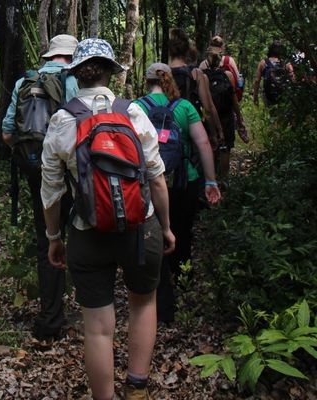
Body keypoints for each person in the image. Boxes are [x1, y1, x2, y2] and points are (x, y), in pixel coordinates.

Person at [41, 38, 175, 400]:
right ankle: (137, 387)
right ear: (111, 71)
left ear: (77, 75)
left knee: (98, 328)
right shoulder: (132, 112)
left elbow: (52, 192)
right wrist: (164, 226)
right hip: (139, 226)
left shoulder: (61, 119)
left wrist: (55, 236)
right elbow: (156, 177)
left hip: (87, 231)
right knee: (143, 302)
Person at [1, 34, 79, 340]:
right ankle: (89, 308)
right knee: (80, 235)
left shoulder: (25, 83)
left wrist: (34, 158)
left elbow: (8, 133)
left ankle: (49, 320)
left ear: (49, 57)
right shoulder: (72, 81)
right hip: (68, 171)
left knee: (48, 239)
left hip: (36, 171)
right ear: (71, 58)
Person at [136, 63, 222, 323]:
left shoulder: (136, 108)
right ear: (169, 80)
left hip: (150, 182)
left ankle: (159, 297)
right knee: (182, 231)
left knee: (155, 232)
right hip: (185, 181)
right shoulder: (184, 107)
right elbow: (203, 143)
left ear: (146, 80)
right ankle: (183, 282)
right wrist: (211, 181)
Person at [169, 28, 224, 149]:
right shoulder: (196, 73)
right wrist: (213, 134)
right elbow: (207, 107)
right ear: (186, 50)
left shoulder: (163, 73)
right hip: (191, 126)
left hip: (168, 125)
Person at [202, 49, 249, 178]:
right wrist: (239, 119)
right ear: (220, 62)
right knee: (225, 148)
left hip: (209, 117)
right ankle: (224, 180)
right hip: (226, 117)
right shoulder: (227, 75)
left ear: (207, 62)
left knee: (212, 146)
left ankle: (211, 178)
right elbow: (233, 98)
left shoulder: (202, 76)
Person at [199, 35, 244, 102]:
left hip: (210, 100)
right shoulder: (229, 60)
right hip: (227, 100)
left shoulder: (203, 64)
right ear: (222, 47)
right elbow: (238, 79)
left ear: (210, 47)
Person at [252, 40, 295, 107]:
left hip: (268, 95)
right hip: (283, 95)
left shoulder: (263, 63)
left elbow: (257, 81)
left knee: (271, 114)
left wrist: (255, 97)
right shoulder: (286, 63)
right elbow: (293, 79)